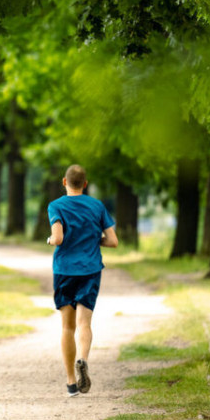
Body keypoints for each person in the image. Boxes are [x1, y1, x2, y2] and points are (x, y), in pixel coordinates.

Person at [46, 164, 118, 397]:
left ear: (64, 182)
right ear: (85, 184)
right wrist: (93, 241)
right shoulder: (97, 206)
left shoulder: (56, 206)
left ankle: (70, 383)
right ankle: (83, 359)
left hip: (65, 270)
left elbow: (58, 238)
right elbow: (113, 241)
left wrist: (50, 240)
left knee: (67, 326)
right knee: (85, 323)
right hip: (90, 269)